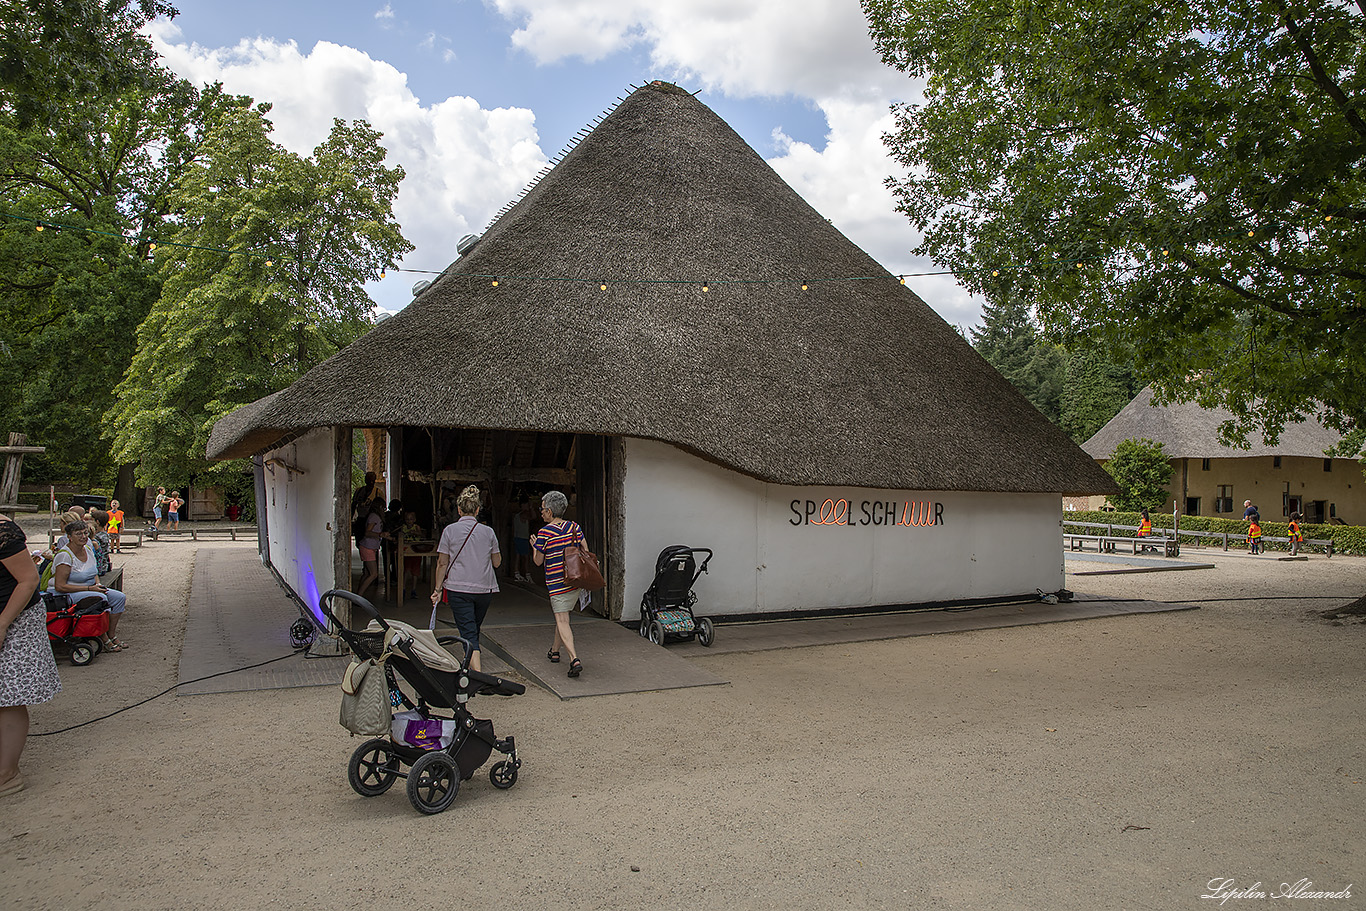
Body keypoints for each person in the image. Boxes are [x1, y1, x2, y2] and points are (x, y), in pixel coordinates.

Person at [0, 511, 62, 798]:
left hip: (14, 618)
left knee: (8, 696)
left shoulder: (3, 531)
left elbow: (27, 580)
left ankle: (7, 774)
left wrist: (2, 624)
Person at [430, 486, 500, 672]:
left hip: (458, 588)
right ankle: (469, 659)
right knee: (473, 627)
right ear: (478, 510)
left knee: (469, 630)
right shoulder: (489, 532)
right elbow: (497, 563)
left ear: (459, 510)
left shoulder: (449, 531)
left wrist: (437, 590)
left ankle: (478, 675)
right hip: (484, 589)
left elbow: (442, 563)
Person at [531, 490, 586, 678]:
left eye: (542, 508)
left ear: (549, 510)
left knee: (562, 620)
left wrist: (534, 546)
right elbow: (585, 550)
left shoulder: (544, 533)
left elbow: (538, 561)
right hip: (574, 580)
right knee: (562, 618)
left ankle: (574, 659)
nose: (541, 512)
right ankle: (555, 651)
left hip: (557, 583)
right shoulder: (574, 527)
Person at [49, 520, 128, 650]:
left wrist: (98, 584)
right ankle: (103, 638)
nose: (83, 536)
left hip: (90, 587)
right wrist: (90, 588)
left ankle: (111, 634)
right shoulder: (65, 556)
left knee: (119, 598)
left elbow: (93, 572)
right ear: (69, 537)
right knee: (100, 599)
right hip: (65, 593)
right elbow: (60, 586)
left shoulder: (87, 548)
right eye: (78, 534)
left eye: (85, 533)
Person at [355, 498, 385, 602]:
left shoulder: (373, 516)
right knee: (373, 574)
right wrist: (380, 534)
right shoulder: (374, 517)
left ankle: (358, 595)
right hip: (368, 547)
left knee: (367, 573)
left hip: (369, 547)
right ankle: (359, 597)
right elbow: (367, 533)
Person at [397, 510, 426, 599]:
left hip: (416, 550)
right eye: (407, 519)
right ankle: (403, 588)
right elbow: (400, 536)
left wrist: (415, 532)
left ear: (414, 520)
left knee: (415, 572)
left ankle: (413, 589)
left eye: (411, 519)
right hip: (406, 551)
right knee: (405, 570)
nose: (409, 521)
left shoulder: (416, 527)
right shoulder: (403, 527)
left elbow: (422, 535)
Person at [511, 498, 533, 582]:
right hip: (523, 538)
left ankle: (517, 573)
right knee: (526, 557)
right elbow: (533, 516)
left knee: (518, 556)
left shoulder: (516, 515)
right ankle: (528, 575)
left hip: (517, 537)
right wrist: (531, 508)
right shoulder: (523, 514)